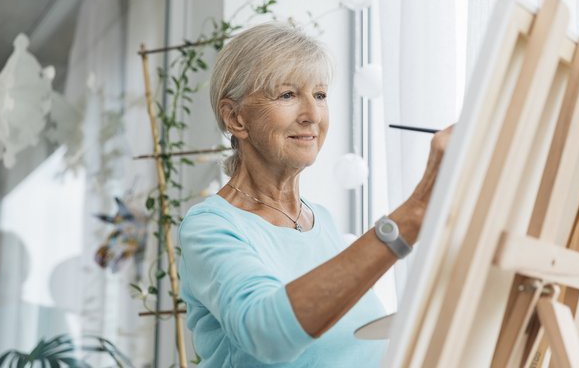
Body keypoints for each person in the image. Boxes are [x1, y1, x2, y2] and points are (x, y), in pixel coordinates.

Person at [178, 22, 452, 367]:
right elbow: (267, 332)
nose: (311, 116)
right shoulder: (209, 227)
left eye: (320, 95)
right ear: (236, 119)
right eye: (288, 95)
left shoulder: (319, 219)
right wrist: (411, 217)